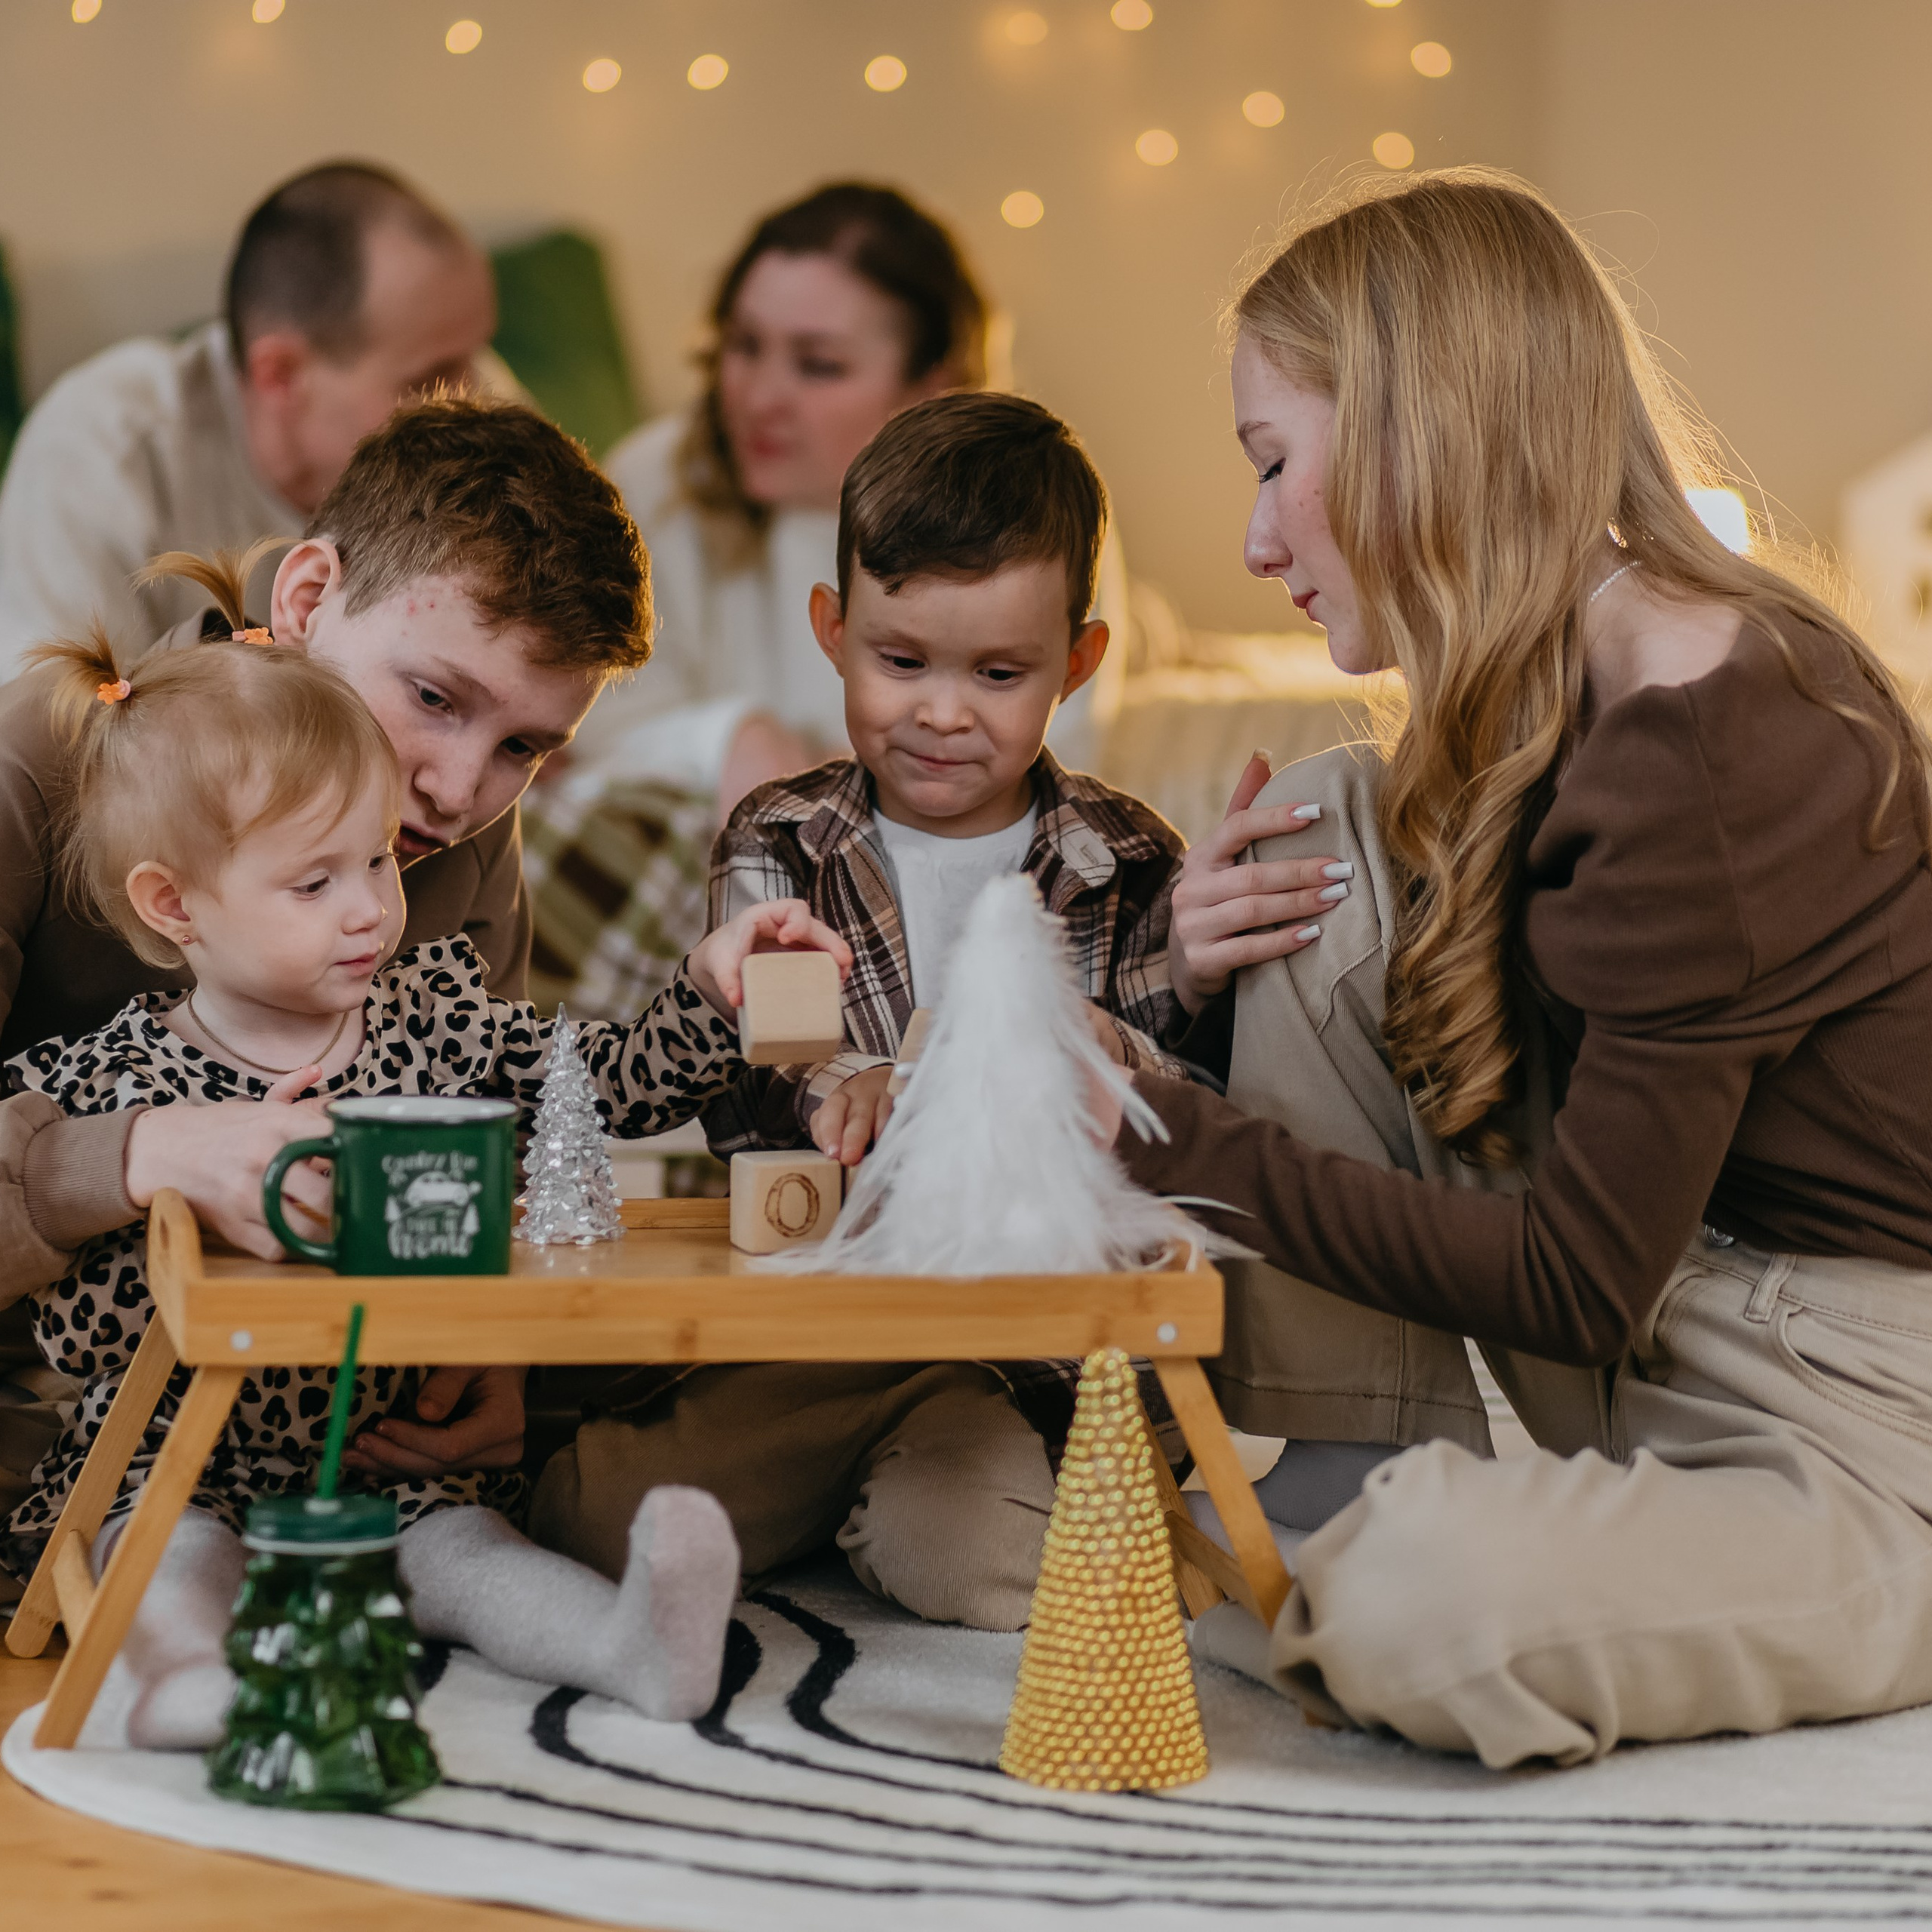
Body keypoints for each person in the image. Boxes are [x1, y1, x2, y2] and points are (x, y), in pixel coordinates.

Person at [1088, 167, 1932, 1770]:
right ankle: (1351, 1449)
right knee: (1321, 832)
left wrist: (1170, 1141)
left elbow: (1569, 1282)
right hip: (1668, 1310)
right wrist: (1181, 1004)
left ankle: (1441, 1543)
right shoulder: (1561, 685)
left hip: (1858, 1421)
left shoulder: (1712, 729)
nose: (1256, 536)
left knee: (1422, 1605)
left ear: (1422, 432)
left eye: (1274, 464)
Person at [2, 627, 850, 1746]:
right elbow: (86, 1328)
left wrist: (706, 988)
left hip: (380, 1445)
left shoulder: (429, 1014)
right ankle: (184, 1679)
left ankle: (630, 1646)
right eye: (314, 881)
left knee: (468, 1553)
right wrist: (182, 1206)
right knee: (162, 1546)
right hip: (179, 1453)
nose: (367, 909)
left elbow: (593, 1091)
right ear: (174, 906)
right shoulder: (119, 1083)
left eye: (373, 862)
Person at [531, 392, 1187, 1633]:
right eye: (903, 662)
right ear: (833, 632)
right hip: (822, 1329)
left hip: (1019, 1341)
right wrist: (856, 1090)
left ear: (1080, 662)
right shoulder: (779, 836)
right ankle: (849, 1477)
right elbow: (768, 1073)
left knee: (985, 1566)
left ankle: (898, 1490)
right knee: (583, 1521)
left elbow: (1180, 1098)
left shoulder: (1128, 860)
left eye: (999, 675)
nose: (944, 712)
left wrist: (1065, 1059)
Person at [0, 393, 648, 1554]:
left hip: (319, 1419)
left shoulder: (459, 848)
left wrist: (489, 1343)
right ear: (303, 599)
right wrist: (147, 1150)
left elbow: (465, 1139)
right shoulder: (30, 772)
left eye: (522, 747)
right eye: (435, 698)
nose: (455, 790)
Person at [522, 181, 1128, 1018]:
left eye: (818, 364)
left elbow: (1046, 747)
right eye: (743, 346)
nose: (758, 396)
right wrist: (734, 738)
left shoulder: (1033, 519)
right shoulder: (656, 481)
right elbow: (580, 721)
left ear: (933, 386)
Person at [0, 161, 496, 669]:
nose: (475, 398)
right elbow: (59, 727)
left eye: (475, 356)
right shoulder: (104, 448)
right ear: (281, 375)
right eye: (427, 380)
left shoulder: (479, 393)